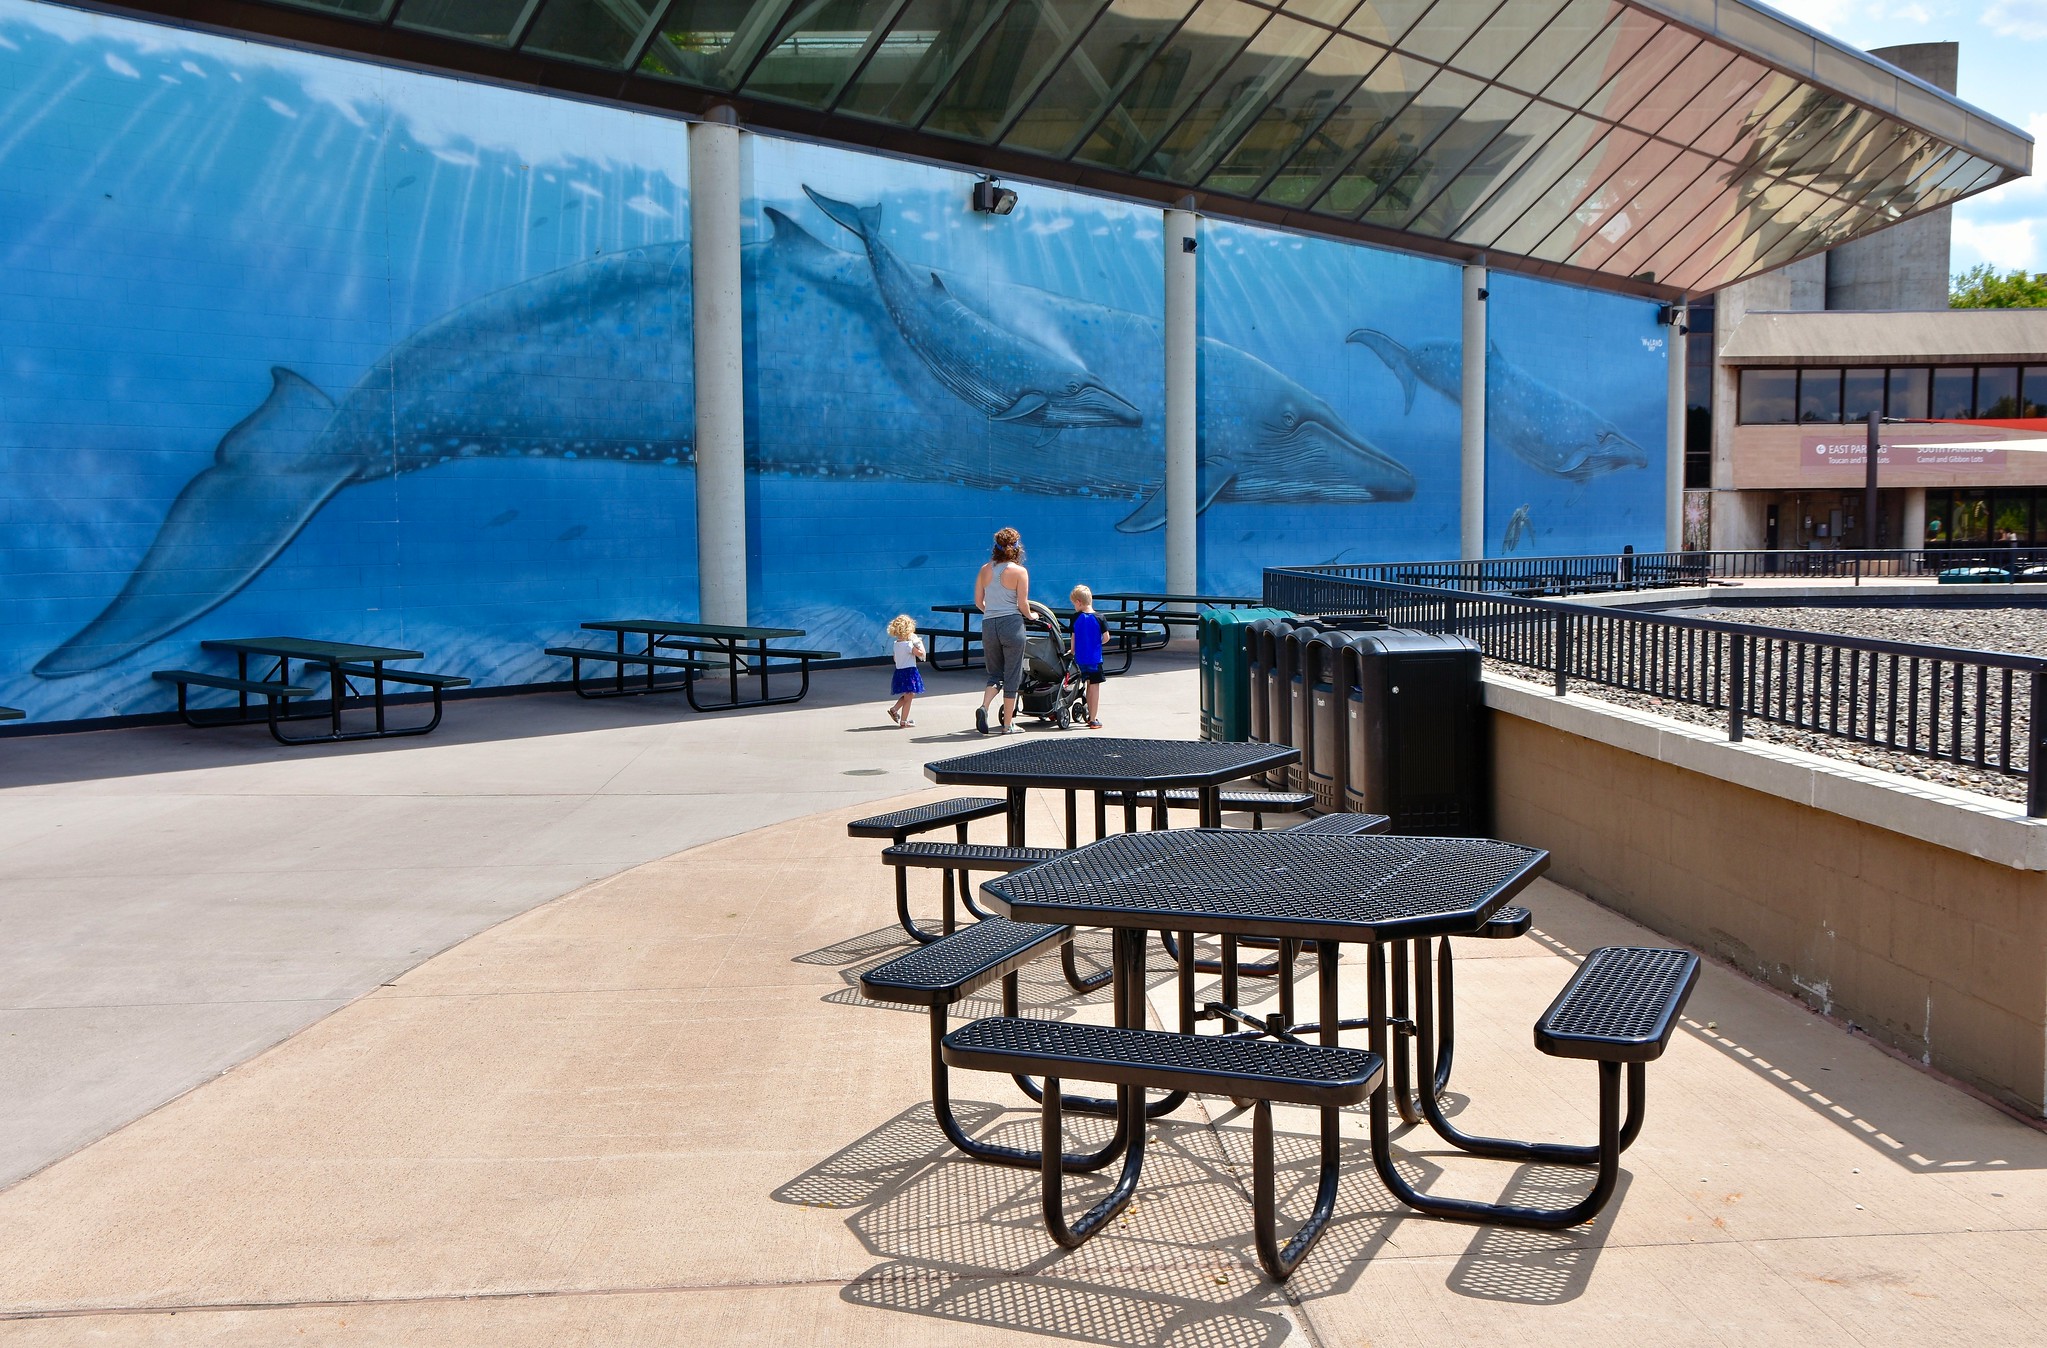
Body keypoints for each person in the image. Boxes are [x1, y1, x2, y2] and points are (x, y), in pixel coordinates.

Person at [973, 527, 1029, 734]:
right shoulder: (1019, 571)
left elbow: (979, 601)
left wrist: (992, 611)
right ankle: (1008, 724)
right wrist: (1032, 616)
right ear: (1016, 548)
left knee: (994, 674)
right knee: (1012, 675)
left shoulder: (984, 569)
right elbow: (1022, 604)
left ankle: (984, 706)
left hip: (989, 624)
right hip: (1011, 624)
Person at [1069, 584, 1106, 729]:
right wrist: (1096, 643)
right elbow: (1107, 637)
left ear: (1079, 602)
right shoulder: (1100, 618)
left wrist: (1072, 651)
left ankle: (1085, 712)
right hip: (1095, 659)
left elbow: (1073, 639)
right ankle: (1093, 718)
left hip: (1080, 659)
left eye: (1074, 604)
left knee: (1083, 683)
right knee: (1094, 687)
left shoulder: (1076, 618)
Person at [885, 614, 924, 728]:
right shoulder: (908, 645)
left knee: (909, 695)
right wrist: (918, 645)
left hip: (900, 672)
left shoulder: (896, 644)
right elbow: (920, 654)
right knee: (910, 695)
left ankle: (895, 710)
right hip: (910, 672)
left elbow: (895, 658)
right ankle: (903, 721)